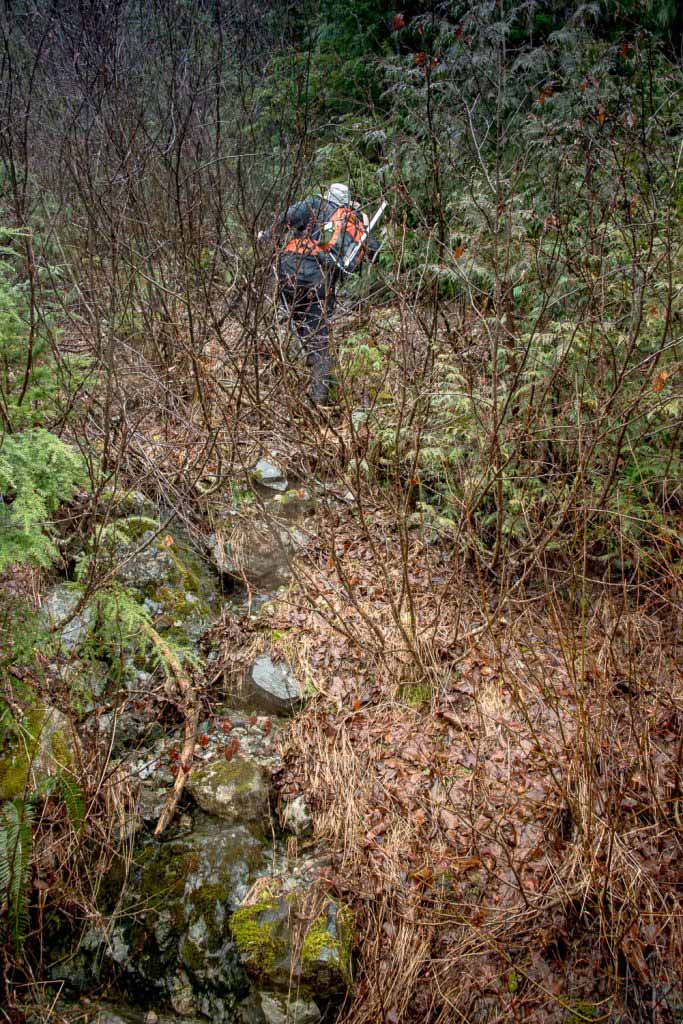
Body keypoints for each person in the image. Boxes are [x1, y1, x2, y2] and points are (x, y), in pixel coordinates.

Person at [260, 183, 380, 406]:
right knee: (319, 339)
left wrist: (267, 237)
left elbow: (286, 218)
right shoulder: (355, 222)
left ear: (328, 195)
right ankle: (319, 400)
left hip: (291, 273)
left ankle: (291, 373)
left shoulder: (315, 204)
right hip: (323, 283)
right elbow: (374, 252)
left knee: (292, 323)